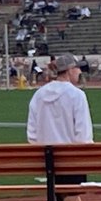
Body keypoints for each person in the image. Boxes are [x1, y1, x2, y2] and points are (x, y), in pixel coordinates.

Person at [26, 53, 93, 184]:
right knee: (74, 196)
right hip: (71, 159)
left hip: (47, 159)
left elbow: (32, 132)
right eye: (77, 69)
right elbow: (83, 133)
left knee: (55, 195)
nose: (79, 72)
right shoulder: (77, 95)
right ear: (69, 70)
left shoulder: (39, 94)